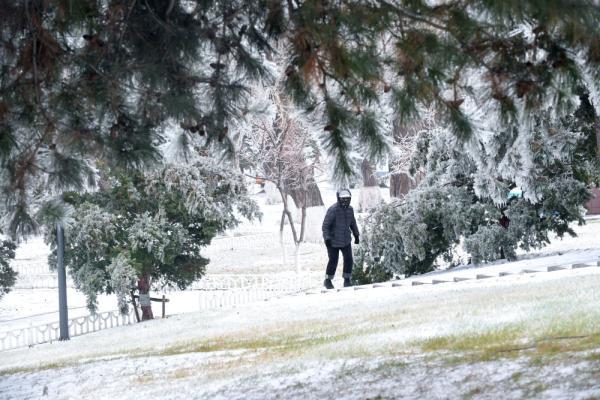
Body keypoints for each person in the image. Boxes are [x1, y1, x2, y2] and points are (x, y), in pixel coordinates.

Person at [322, 189, 359, 289]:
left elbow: (353, 223)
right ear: (339, 199)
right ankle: (328, 280)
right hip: (332, 241)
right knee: (333, 260)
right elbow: (325, 226)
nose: (345, 200)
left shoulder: (350, 209)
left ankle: (347, 280)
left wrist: (356, 235)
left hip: (346, 239)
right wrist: (327, 238)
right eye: (343, 199)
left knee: (349, 259)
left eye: (347, 198)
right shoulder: (333, 210)